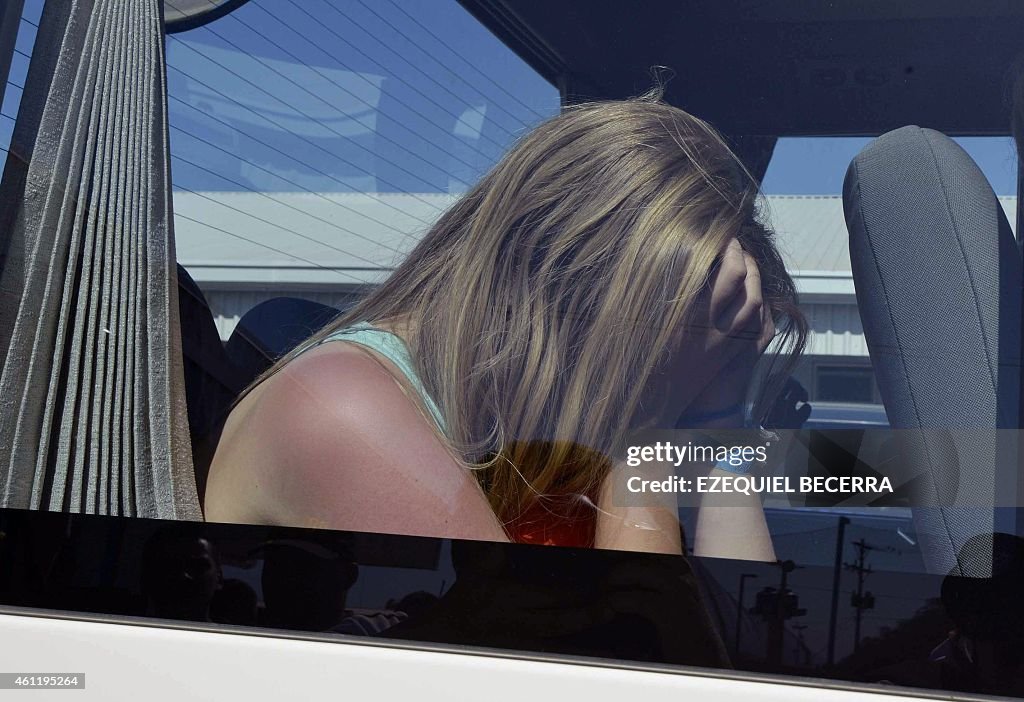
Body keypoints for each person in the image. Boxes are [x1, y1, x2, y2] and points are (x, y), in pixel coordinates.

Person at [204, 93, 806, 561]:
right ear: (569, 298)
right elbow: (628, 670)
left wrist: (718, 416)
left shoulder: (531, 422)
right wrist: (648, 425)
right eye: (664, 356)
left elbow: (745, 626)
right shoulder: (343, 410)